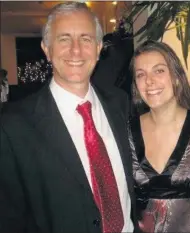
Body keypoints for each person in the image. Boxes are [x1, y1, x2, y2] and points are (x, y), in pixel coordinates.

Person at [0, 2, 138, 233]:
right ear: (46, 49)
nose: (76, 50)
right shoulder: (14, 126)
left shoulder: (120, 103)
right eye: (64, 39)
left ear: (98, 47)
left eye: (85, 39)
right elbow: (10, 219)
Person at [127, 40, 190, 233]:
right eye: (141, 74)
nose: (149, 81)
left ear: (176, 77)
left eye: (159, 71)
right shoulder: (126, 131)